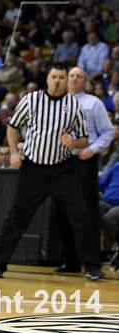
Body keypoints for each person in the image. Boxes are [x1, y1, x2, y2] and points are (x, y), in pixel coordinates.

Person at [0, 63, 104, 280]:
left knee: (81, 213)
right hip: (33, 168)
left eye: (62, 77)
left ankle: (92, 266)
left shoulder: (74, 104)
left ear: (66, 80)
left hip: (62, 169)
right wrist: (13, 153)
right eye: (54, 77)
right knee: (18, 216)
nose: (58, 80)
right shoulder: (32, 100)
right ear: (48, 79)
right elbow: (12, 127)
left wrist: (73, 142)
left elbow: (84, 139)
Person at [54, 67, 114, 273]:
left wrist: (92, 149)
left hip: (83, 161)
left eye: (79, 76)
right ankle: (70, 261)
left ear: (85, 81)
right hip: (59, 163)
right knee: (61, 211)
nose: (74, 78)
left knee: (87, 212)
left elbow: (107, 133)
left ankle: (92, 264)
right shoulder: (56, 103)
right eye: (71, 75)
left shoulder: (93, 103)